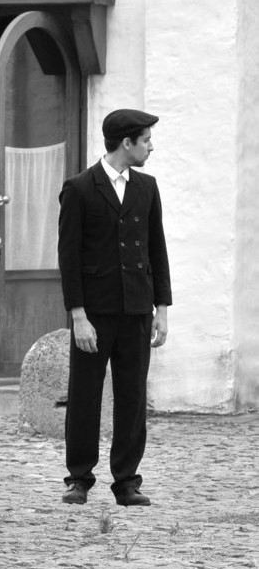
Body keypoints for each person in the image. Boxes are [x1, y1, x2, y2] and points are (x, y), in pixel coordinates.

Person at [57, 109, 170, 507]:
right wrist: (78, 315)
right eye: (146, 140)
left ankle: (126, 481)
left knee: (132, 396)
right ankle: (78, 478)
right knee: (85, 394)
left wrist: (162, 308)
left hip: (137, 309)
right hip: (94, 314)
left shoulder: (147, 187)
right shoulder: (80, 188)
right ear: (127, 143)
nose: (151, 146)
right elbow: (68, 258)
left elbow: (157, 248)